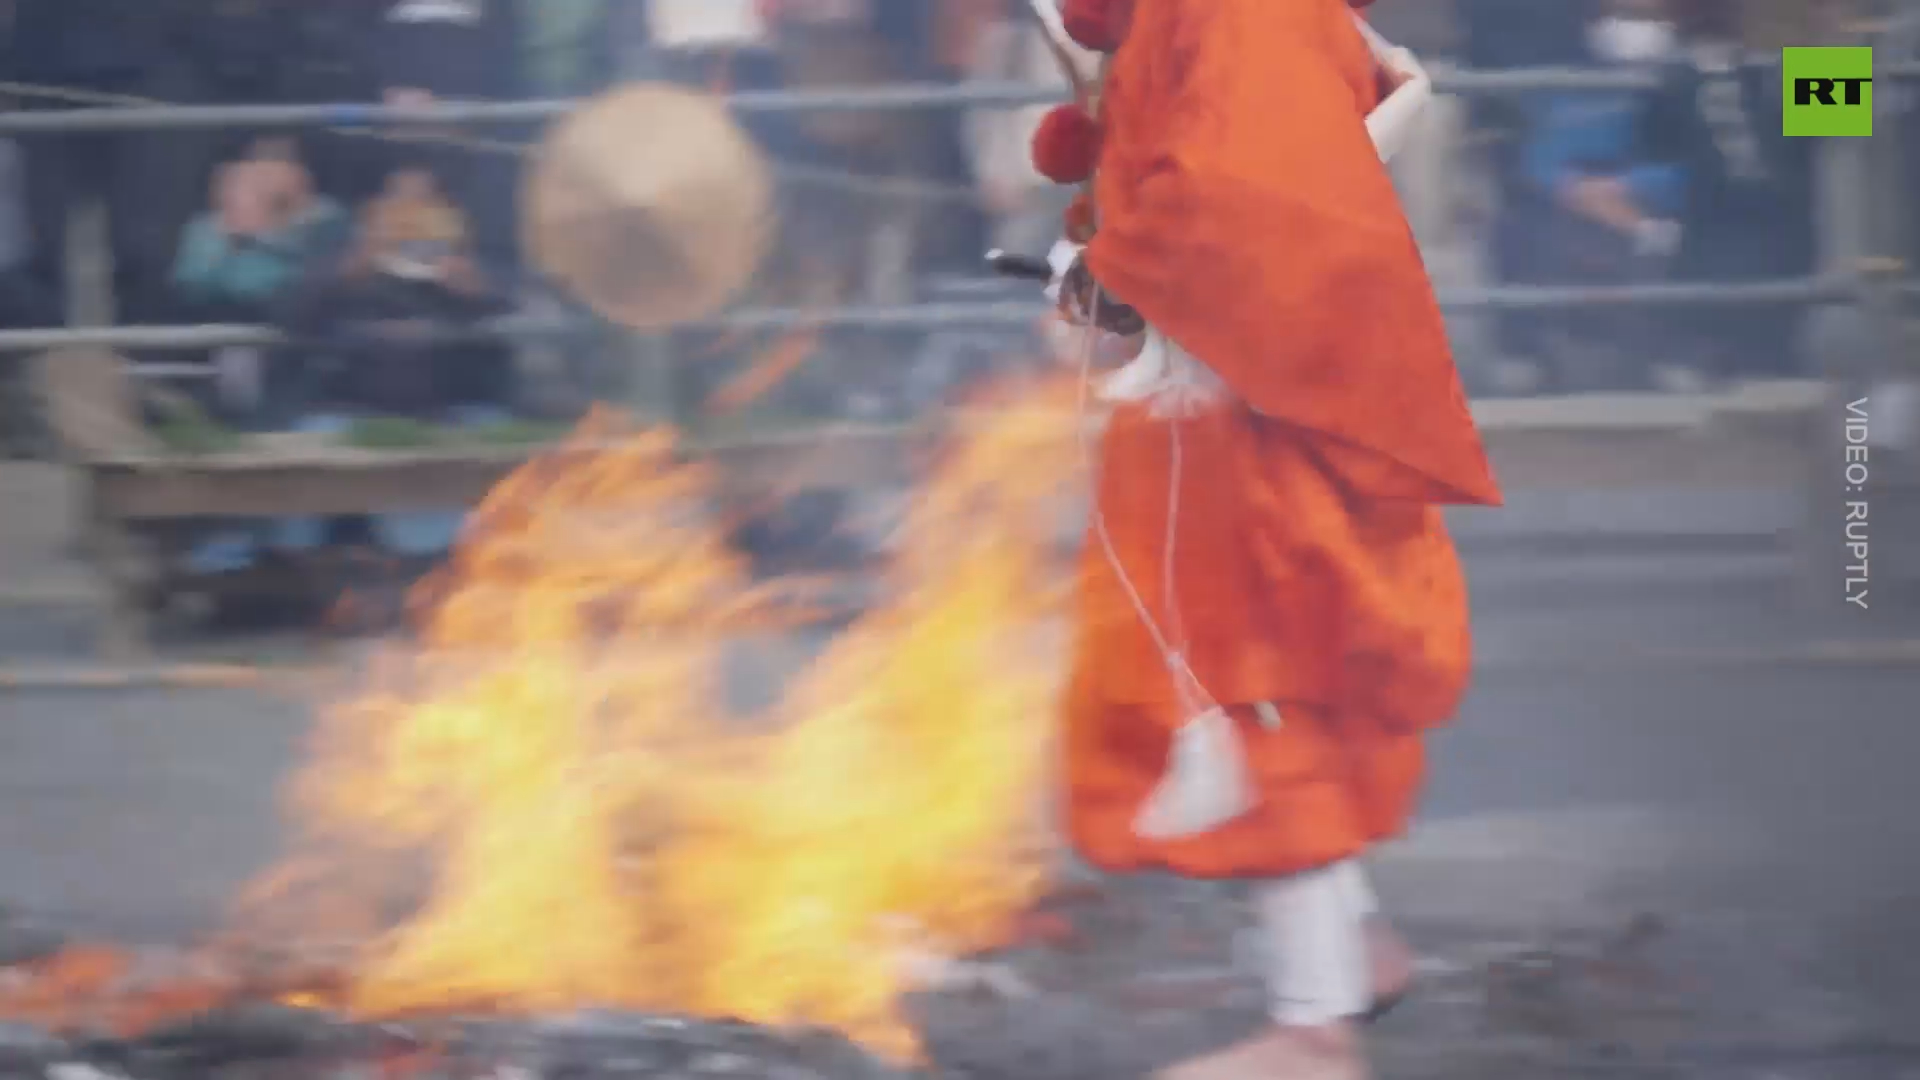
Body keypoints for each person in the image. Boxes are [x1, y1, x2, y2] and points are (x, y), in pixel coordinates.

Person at [1039, 1, 1501, 1077]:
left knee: (1249, 676)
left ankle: (1314, 1027)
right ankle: (1353, 949)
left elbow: (1240, 192)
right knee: (1252, 665)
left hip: (1249, 395)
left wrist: (1115, 270)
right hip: (1232, 385)